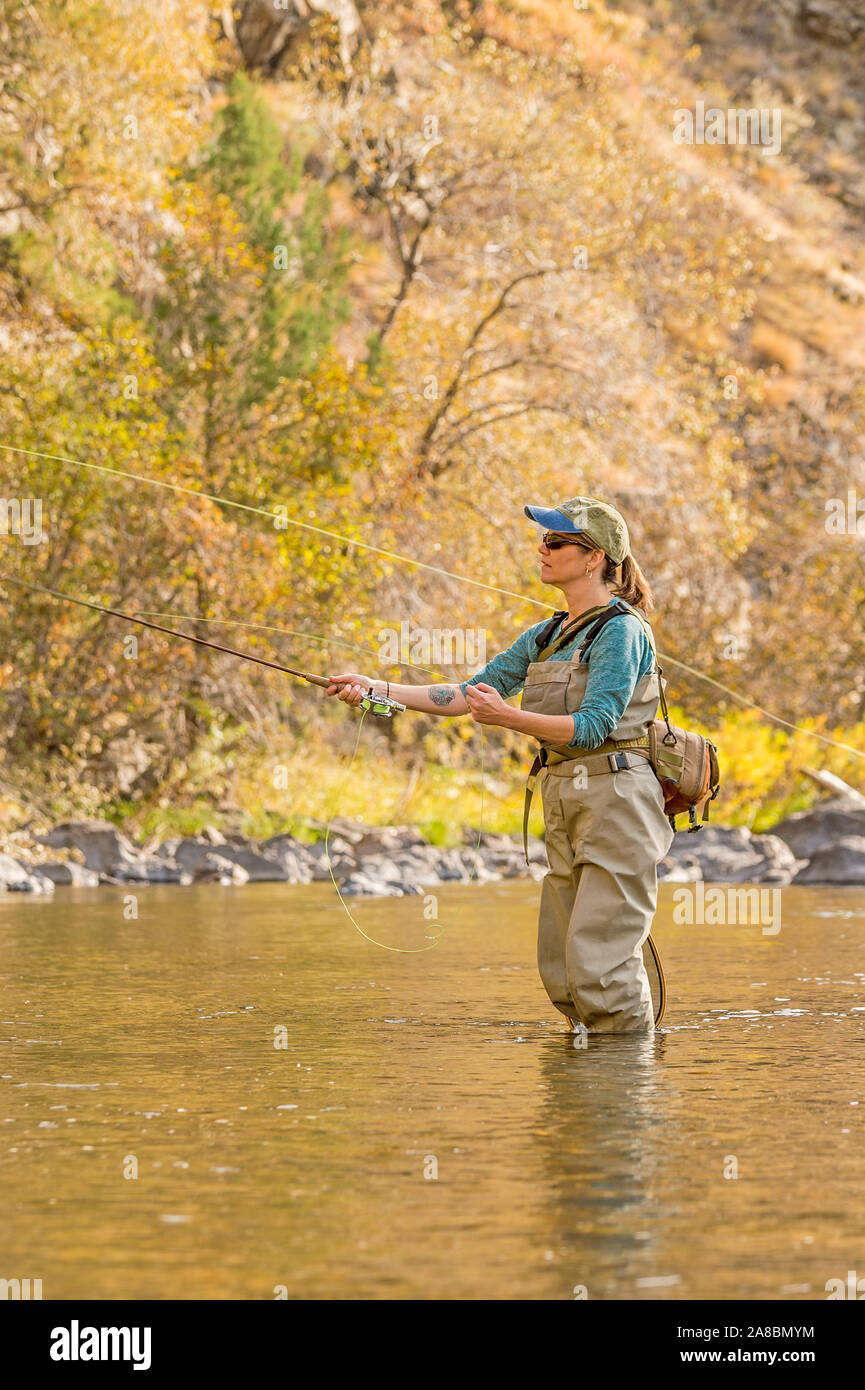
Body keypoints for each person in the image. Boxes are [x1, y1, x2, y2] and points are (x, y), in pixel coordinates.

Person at [325, 495, 673, 1034]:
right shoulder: (545, 634)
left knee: (601, 964)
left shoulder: (623, 632)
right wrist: (375, 690)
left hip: (618, 802)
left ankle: (624, 1091)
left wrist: (508, 717)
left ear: (594, 558)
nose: (543, 548)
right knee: (562, 967)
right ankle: (583, 1091)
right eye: (544, 539)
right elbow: (466, 695)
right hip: (565, 801)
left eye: (557, 542)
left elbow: (594, 726)